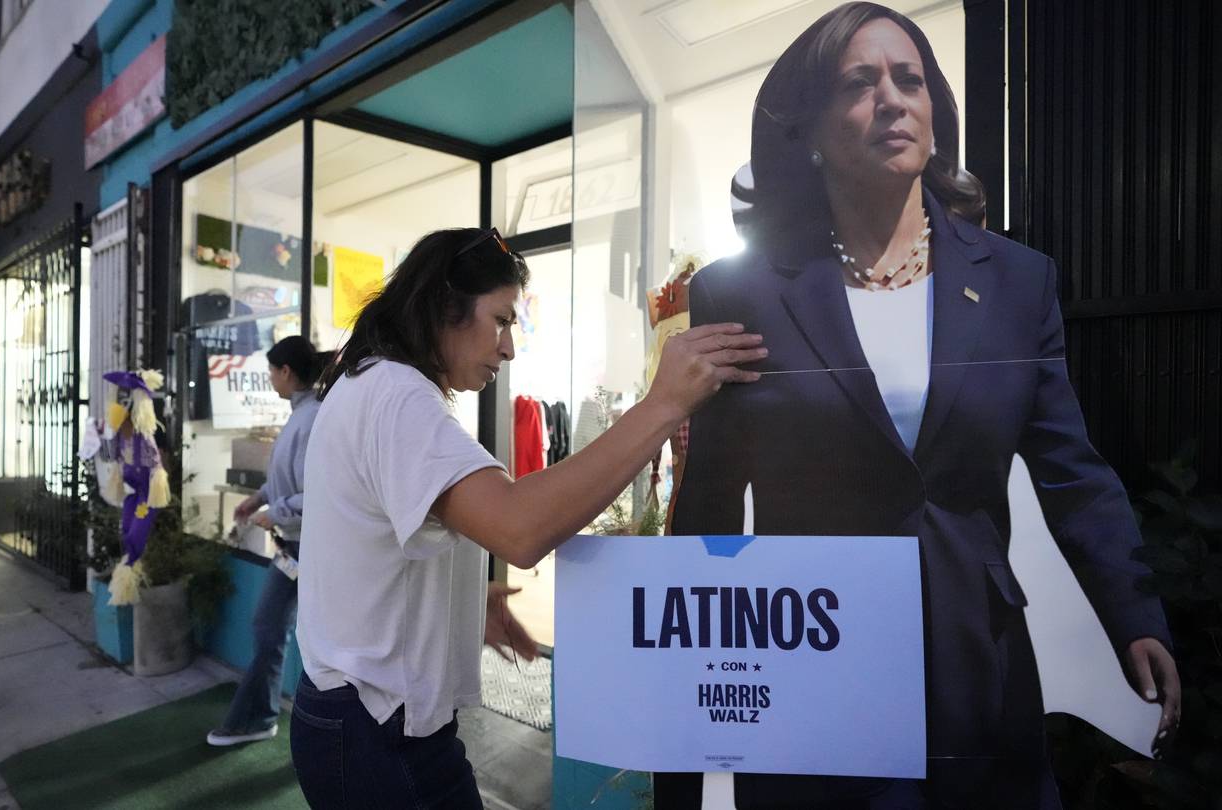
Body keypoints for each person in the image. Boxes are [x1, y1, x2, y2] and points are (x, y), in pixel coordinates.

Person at [663, 3, 1179, 808]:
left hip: (976, 660)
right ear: (810, 127)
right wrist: (685, 731)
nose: (892, 99)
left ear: (937, 114)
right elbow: (713, 502)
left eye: (911, 80)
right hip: (816, 663)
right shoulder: (740, 292)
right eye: (859, 83)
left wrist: (1132, 610)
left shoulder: (1017, 280)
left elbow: (1071, 470)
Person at [288, 226, 767, 808]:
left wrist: (457, 601)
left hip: (366, 718)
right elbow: (518, 527)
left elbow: (388, 538)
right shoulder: (395, 394)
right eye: (502, 319)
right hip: (375, 728)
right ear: (444, 305)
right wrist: (663, 405)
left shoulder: (373, 382)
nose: (509, 348)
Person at [206, 336, 323, 746]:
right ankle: (260, 716)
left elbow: (321, 493)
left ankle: (258, 717)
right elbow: (290, 481)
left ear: (286, 372)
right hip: (294, 549)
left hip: (309, 551)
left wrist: (273, 512)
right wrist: (259, 499)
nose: (271, 379)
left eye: (272, 371)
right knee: (271, 629)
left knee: (275, 630)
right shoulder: (302, 416)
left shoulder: (310, 420)